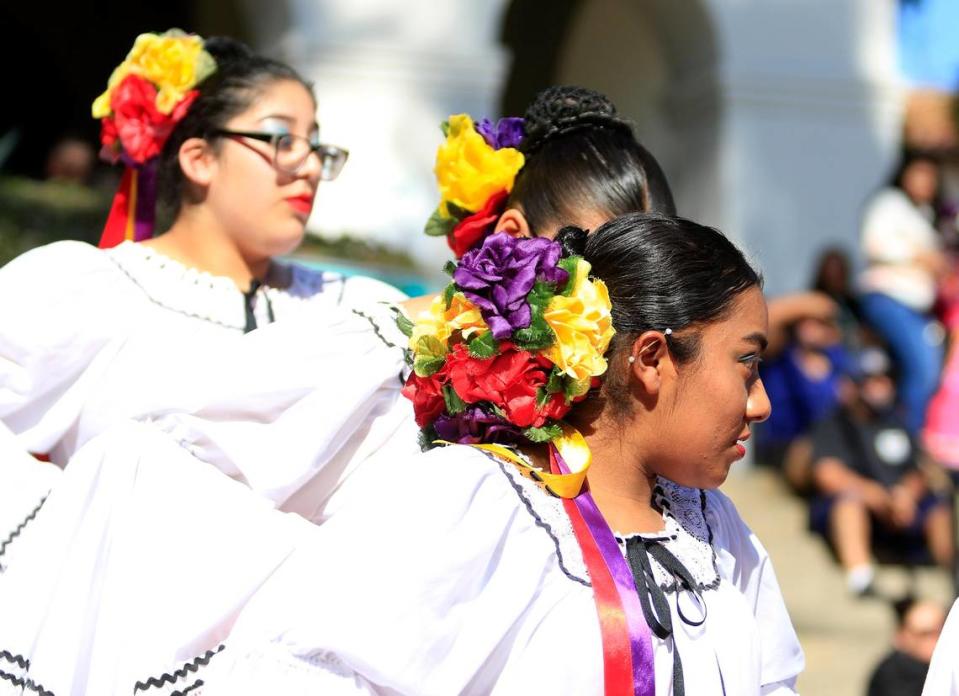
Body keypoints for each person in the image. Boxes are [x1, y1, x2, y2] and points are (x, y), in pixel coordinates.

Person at [0, 213, 804, 695]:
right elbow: (297, 674)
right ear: (653, 359)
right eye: (747, 362)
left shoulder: (721, 537)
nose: (761, 402)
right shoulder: (479, 503)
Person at [0, 31, 404, 554]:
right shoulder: (87, 288)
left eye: (315, 145)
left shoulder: (355, 305)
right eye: (282, 139)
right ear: (199, 159)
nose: (308, 166)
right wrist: (74, 535)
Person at [807, 347, 953, 596]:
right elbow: (826, 473)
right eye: (872, 379)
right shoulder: (835, 422)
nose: (881, 385)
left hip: (901, 508)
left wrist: (906, 493)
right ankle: (861, 578)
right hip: (861, 507)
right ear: (854, 384)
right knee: (848, 503)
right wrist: (875, 495)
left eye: (885, 378)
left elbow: (920, 468)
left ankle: (950, 575)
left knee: (938, 507)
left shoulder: (896, 420)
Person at [858, 149, 948, 434]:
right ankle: (908, 438)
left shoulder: (926, 214)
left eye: (930, 175)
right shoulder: (889, 204)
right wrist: (919, 257)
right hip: (889, 300)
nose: (925, 181)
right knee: (923, 369)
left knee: (916, 372)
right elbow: (874, 245)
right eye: (919, 173)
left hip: (919, 309)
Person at [867, 596, 945, 696]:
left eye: (941, 633)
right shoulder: (893, 673)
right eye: (925, 634)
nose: (936, 639)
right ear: (903, 636)